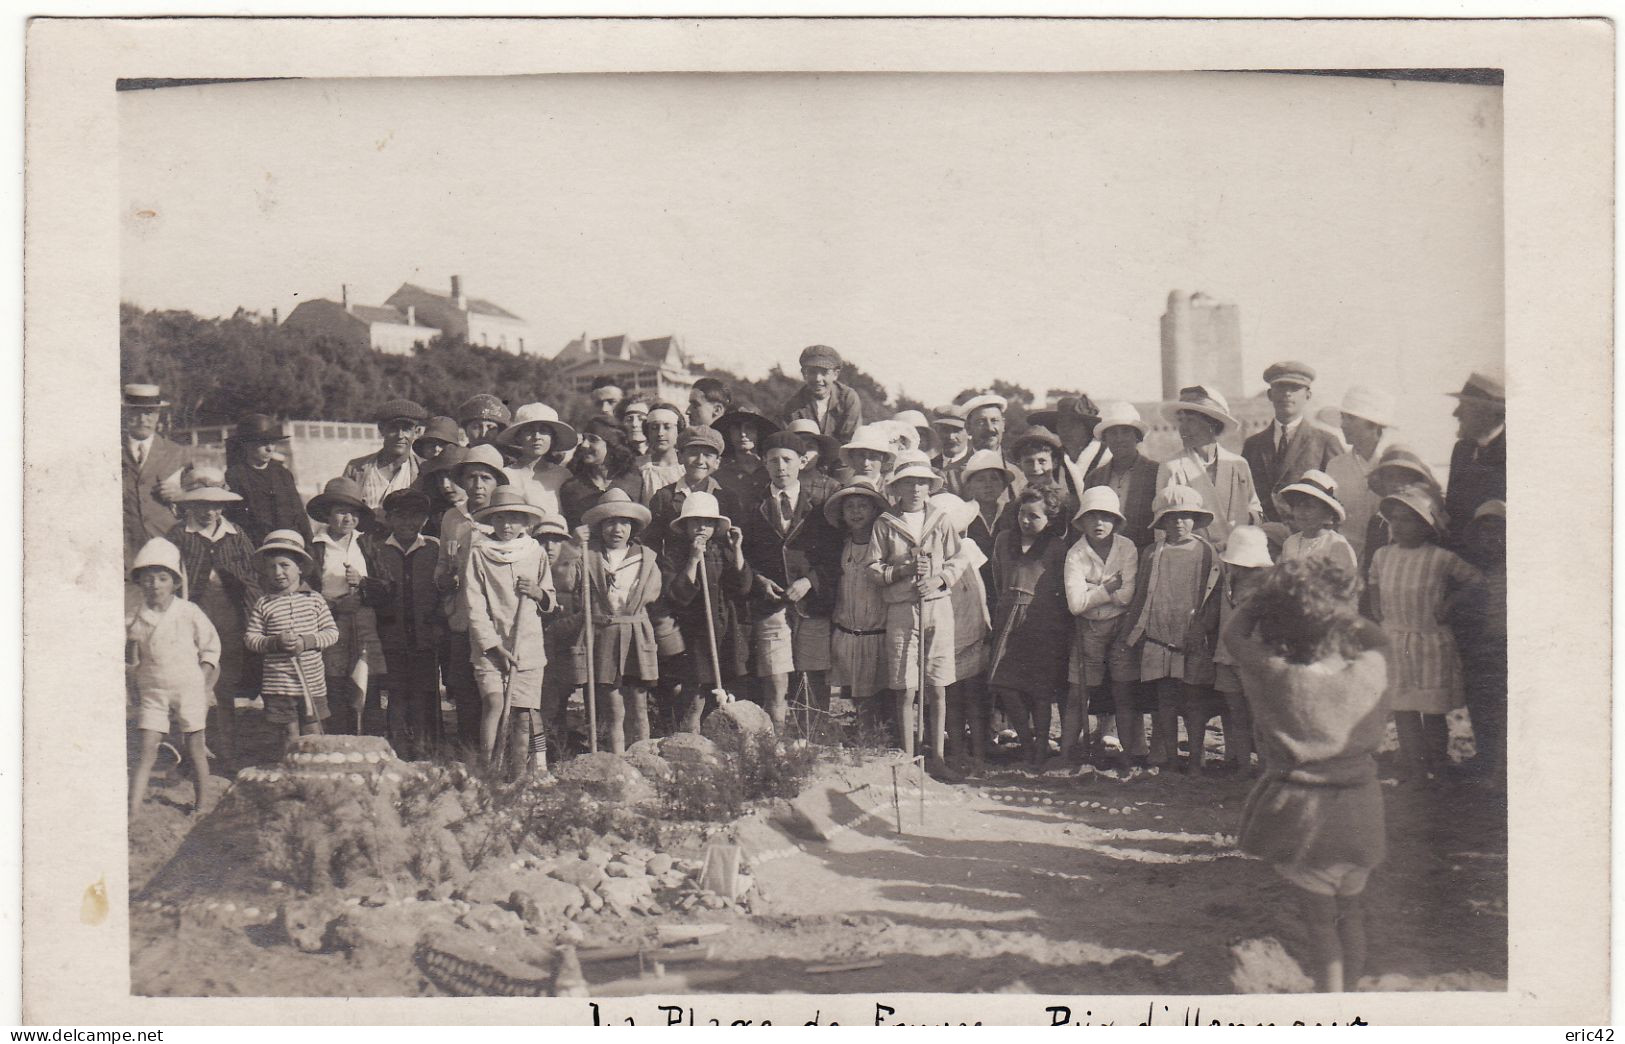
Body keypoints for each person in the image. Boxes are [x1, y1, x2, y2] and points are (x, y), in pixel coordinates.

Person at [1224, 557, 1391, 994]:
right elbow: (1378, 638)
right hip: (1363, 817)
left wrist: (1263, 598)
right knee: (1351, 916)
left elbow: (1233, 635)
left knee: (1320, 928)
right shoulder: (1372, 671)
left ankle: (1330, 1007)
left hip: (1306, 825)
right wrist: (1340, 608)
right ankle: (1349, 998)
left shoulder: (1278, 676)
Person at [865, 452, 971, 771]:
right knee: (906, 686)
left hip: (937, 608)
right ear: (897, 487)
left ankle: (936, 757)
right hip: (901, 610)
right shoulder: (885, 524)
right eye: (908, 482)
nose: (915, 489)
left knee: (937, 685)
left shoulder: (940, 519)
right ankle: (910, 757)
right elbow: (872, 567)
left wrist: (938, 578)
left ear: (929, 487)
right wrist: (901, 571)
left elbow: (959, 559)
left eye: (921, 483)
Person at [1368, 486, 1481, 782]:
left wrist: (1449, 605)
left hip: (1430, 642)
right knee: (1403, 711)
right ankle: (1416, 772)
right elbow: (1372, 581)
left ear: (1425, 525)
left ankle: (1439, 769)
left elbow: (1475, 581)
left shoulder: (1440, 558)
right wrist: (1375, 605)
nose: (1398, 526)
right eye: (1394, 519)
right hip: (1396, 641)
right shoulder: (1382, 555)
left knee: (1431, 712)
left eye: (1407, 519)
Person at [741, 432, 841, 728]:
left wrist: (810, 581)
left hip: (811, 604)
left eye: (787, 459)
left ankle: (812, 739)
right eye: (773, 460)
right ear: (764, 464)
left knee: (813, 675)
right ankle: (777, 742)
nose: (780, 467)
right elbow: (741, 554)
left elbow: (836, 556)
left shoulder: (822, 506)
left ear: (802, 462)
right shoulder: (752, 505)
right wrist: (758, 580)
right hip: (770, 604)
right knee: (775, 677)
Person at [166, 466, 260, 772]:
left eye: (215, 505)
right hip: (193, 618)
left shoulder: (235, 534)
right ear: (189, 505)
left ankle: (228, 750)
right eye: (201, 505)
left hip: (230, 617)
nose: (209, 512)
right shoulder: (179, 535)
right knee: (193, 684)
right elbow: (167, 576)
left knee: (226, 687)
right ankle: (192, 752)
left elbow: (252, 575)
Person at [1125, 485, 1222, 775]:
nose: (1178, 522)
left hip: (1192, 636)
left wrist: (1201, 627)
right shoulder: (1153, 553)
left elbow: (1213, 595)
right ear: (1162, 522)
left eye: (1185, 516)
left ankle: (1195, 758)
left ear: (1195, 519)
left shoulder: (1205, 552)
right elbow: (1143, 594)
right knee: (1164, 699)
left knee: (1193, 701)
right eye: (1171, 517)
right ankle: (1169, 758)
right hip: (1159, 634)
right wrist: (1137, 631)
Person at [463, 487, 557, 773]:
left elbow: (550, 598)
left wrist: (537, 591)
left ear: (525, 522)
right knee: (494, 703)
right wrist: (493, 645)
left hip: (526, 644)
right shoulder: (479, 552)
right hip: (491, 647)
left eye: (514, 519)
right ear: (491, 520)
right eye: (501, 518)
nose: (507, 525)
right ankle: (489, 769)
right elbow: (473, 603)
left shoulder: (535, 552)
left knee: (522, 714)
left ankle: (518, 774)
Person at [126, 537, 220, 817]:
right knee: (146, 749)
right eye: (148, 579)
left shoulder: (188, 612)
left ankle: (202, 804)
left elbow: (211, 647)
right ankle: (132, 808)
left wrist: (201, 679)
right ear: (139, 582)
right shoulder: (134, 617)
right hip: (153, 691)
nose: (154, 585)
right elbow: (123, 652)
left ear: (175, 583)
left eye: (162, 578)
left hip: (188, 687)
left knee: (195, 747)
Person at [988, 484, 1072, 771]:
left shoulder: (1057, 547)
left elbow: (1062, 587)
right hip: (1008, 618)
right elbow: (999, 578)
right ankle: (1026, 742)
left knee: (1041, 690)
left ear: (1050, 518)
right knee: (1005, 683)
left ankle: (1040, 750)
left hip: (1042, 621)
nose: (1026, 521)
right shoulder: (1003, 540)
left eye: (1034, 516)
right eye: (1023, 514)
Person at [659, 490, 753, 732]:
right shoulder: (676, 554)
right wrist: (693, 560)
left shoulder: (723, 550)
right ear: (685, 524)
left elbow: (742, 586)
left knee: (726, 691)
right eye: (696, 521)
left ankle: (723, 745)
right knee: (696, 694)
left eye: (708, 522)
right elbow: (677, 595)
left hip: (725, 630)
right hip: (695, 634)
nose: (702, 527)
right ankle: (690, 742)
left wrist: (738, 550)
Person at [1061, 486, 1139, 775]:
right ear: (1082, 521)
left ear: (1116, 521)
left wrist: (1094, 591)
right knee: (1078, 691)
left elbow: (1128, 595)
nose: (1099, 523)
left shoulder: (1126, 547)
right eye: (1092, 516)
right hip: (1088, 629)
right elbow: (1075, 604)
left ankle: (1129, 756)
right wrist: (1107, 588)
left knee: (1122, 689)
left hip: (1120, 626)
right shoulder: (1076, 553)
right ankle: (1067, 753)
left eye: (1106, 517)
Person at [578, 489, 663, 753]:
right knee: (612, 706)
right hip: (604, 635)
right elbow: (568, 582)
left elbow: (652, 593)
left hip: (636, 632)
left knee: (638, 702)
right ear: (600, 526)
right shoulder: (587, 555)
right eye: (610, 522)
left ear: (633, 527)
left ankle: (643, 756)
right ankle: (618, 760)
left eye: (624, 523)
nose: (617, 529)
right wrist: (573, 548)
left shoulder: (646, 558)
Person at [361, 488, 442, 757]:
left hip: (424, 636)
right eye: (401, 516)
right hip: (391, 637)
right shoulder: (377, 551)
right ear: (389, 519)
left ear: (424, 519)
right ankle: (396, 749)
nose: (408, 523)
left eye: (416, 516)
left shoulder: (433, 548)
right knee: (395, 695)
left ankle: (421, 751)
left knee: (422, 695)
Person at [434, 445, 505, 748]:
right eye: (472, 477)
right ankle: (471, 759)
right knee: (464, 688)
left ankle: (503, 758)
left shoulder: (506, 516)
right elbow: (441, 564)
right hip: (463, 616)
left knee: (498, 694)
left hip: (498, 619)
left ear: (497, 482)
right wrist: (444, 579)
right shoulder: (453, 517)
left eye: (485, 478)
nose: (478, 485)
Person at [244, 530, 339, 745]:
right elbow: (251, 638)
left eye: (284, 565)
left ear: (300, 568)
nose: (278, 572)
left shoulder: (314, 600)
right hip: (279, 684)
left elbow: (331, 633)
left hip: (311, 683)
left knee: (313, 733)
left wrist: (306, 641)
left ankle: (314, 775)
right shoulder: (264, 603)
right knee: (289, 735)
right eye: (271, 566)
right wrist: (274, 642)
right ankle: (291, 774)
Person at [307, 477, 383, 736]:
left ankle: (367, 738)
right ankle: (339, 737)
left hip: (363, 620)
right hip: (329, 620)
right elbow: (306, 589)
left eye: (353, 513)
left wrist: (362, 584)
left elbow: (386, 587)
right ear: (327, 515)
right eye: (340, 512)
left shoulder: (367, 544)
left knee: (364, 678)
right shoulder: (316, 547)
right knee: (334, 679)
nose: (347, 518)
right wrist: (335, 607)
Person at [825, 479, 894, 739]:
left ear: (875, 510)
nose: (856, 512)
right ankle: (868, 739)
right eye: (850, 507)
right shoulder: (842, 545)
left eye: (863, 506)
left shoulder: (886, 545)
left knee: (883, 691)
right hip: (849, 629)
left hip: (878, 628)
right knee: (859, 693)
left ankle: (886, 738)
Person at [1156, 385, 1263, 551]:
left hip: (1238, 556)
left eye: (1190, 420)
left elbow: (1254, 508)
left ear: (1212, 424)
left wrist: (1247, 519)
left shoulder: (1238, 464)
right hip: (1193, 556)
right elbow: (1162, 523)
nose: (1183, 428)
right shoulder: (1172, 466)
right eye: (1181, 421)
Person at [1240, 362, 1342, 525]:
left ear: (1308, 395)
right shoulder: (1253, 445)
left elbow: (1337, 497)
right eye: (1280, 388)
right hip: (1264, 536)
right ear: (1269, 394)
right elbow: (1244, 495)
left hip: (1307, 536)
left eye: (1294, 388)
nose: (1287, 394)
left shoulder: (1325, 441)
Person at [934, 492, 992, 773]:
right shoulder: (931, 555)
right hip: (947, 631)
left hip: (972, 629)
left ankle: (979, 753)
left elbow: (980, 586)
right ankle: (956, 751)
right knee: (952, 696)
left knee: (974, 696)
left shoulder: (968, 546)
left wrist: (985, 618)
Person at [1212, 524, 1273, 776]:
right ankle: (1243, 766)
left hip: (1253, 659)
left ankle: (1266, 768)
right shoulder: (1227, 580)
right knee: (1235, 712)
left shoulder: (1268, 588)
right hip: (1226, 655)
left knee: (1259, 717)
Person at [1458, 500, 1507, 787]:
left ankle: (1500, 769)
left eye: (1498, 530)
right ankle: (1487, 758)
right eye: (1484, 532)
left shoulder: (1520, 568)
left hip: (1507, 645)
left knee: (1503, 706)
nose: (1492, 538)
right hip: (1481, 645)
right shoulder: (1472, 569)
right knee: (1480, 703)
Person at [1317, 387, 1395, 563]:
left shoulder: (1397, 462)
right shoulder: (1335, 466)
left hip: (1391, 562)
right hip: (1346, 563)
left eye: (1350, 418)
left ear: (1373, 424)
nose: (1343, 424)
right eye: (1343, 418)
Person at [121, 383, 194, 568]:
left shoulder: (177, 452)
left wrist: (182, 495)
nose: (142, 419)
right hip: (122, 549)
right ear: (124, 414)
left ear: (158, 415)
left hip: (165, 543)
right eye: (135, 412)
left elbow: (198, 497)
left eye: (149, 413)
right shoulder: (107, 452)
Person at [643, 426, 743, 557]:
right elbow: (652, 544)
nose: (700, 461)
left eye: (708, 455)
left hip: (717, 574)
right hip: (676, 573)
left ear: (717, 462)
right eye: (693, 453)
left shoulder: (727, 497)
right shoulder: (664, 497)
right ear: (680, 457)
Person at [535, 511, 583, 754]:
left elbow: (583, 610)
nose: (549, 546)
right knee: (544, 700)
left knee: (562, 696)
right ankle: (544, 750)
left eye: (556, 539)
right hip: (537, 642)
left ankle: (560, 745)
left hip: (566, 642)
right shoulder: (529, 564)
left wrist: (563, 626)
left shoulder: (574, 570)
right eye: (543, 539)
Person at [224, 413, 311, 547]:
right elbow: (233, 519)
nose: (270, 448)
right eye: (263, 443)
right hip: (253, 546)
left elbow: (299, 513)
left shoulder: (283, 474)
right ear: (247, 445)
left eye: (272, 443)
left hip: (288, 544)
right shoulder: (235, 476)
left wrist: (310, 545)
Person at [1444, 369, 1506, 548]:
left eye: (1464, 406)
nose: (1455, 413)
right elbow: (1452, 511)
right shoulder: (1462, 450)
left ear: (1490, 413)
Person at [1085, 401, 1159, 548]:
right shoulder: (1094, 478)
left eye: (1125, 431)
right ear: (1105, 440)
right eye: (1113, 433)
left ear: (1137, 437)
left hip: (1143, 555)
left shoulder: (1155, 472)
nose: (1119, 439)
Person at [343, 399, 429, 512]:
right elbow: (344, 509)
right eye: (393, 428)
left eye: (406, 429)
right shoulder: (355, 468)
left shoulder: (425, 470)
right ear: (381, 430)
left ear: (417, 432)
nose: (400, 435)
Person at [1028, 394, 1110, 506]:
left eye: (1073, 424)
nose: (1066, 430)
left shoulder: (1108, 457)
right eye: (1061, 424)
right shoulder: (1052, 460)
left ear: (1087, 428)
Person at [559, 417, 641, 528]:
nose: (584, 445)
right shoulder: (571, 487)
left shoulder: (634, 480)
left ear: (612, 446)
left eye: (593, 439)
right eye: (584, 439)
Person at [498, 402, 577, 517]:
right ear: (518, 437)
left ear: (552, 438)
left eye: (543, 431)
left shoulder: (563, 476)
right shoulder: (506, 475)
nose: (537, 437)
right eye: (529, 431)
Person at [1277, 470, 1359, 576]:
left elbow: (1344, 585)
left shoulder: (1336, 545)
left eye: (1309, 506)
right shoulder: (1290, 542)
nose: (1301, 512)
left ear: (1327, 513)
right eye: (1297, 505)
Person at [958, 449, 1018, 591]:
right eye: (980, 479)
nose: (988, 485)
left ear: (1003, 485)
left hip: (1007, 589)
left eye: (994, 478)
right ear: (969, 485)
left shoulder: (1013, 513)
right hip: (973, 590)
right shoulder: (961, 515)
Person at [782, 344, 862, 442]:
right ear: (804, 374)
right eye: (812, 372)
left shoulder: (848, 398)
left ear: (835, 374)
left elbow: (850, 439)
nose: (818, 379)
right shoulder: (793, 406)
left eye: (824, 372)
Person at [1004, 427, 1074, 533]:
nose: (1035, 468)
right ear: (1020, 464)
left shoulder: (1065, 500)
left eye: (1042, 461)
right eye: (1028, 462)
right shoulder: (1017, 502)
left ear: (1054, 463)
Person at [712, 406, 776, 505]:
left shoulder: (772, 471)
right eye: (737, 428)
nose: (742, 434)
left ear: (758, 432)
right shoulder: (719, 475)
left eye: (749, 428)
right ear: (729, 433)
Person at [634, 401, 687, 504]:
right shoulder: (639, 466)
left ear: (678, 430)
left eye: (667, 427)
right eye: (654, 428)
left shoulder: (686, 466)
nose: (660, 433)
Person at [417, 445, 469, 539]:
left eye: (451, 477)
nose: (445, 485)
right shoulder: (436, 516)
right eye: (440, 478)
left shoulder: (486, 510)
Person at [931, 404, 971, 494]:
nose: (951, 436)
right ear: (938, 432)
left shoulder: (978, 464)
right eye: (945, 430)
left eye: (957, 430)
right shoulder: (929, 466)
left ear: (969, 432)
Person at [960, 392, 1008, 457]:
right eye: (981, 422)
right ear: (968, 428)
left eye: (994, 421)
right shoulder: (954, 467)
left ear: (1003, 425)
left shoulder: (1019, 465)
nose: (990, 428)